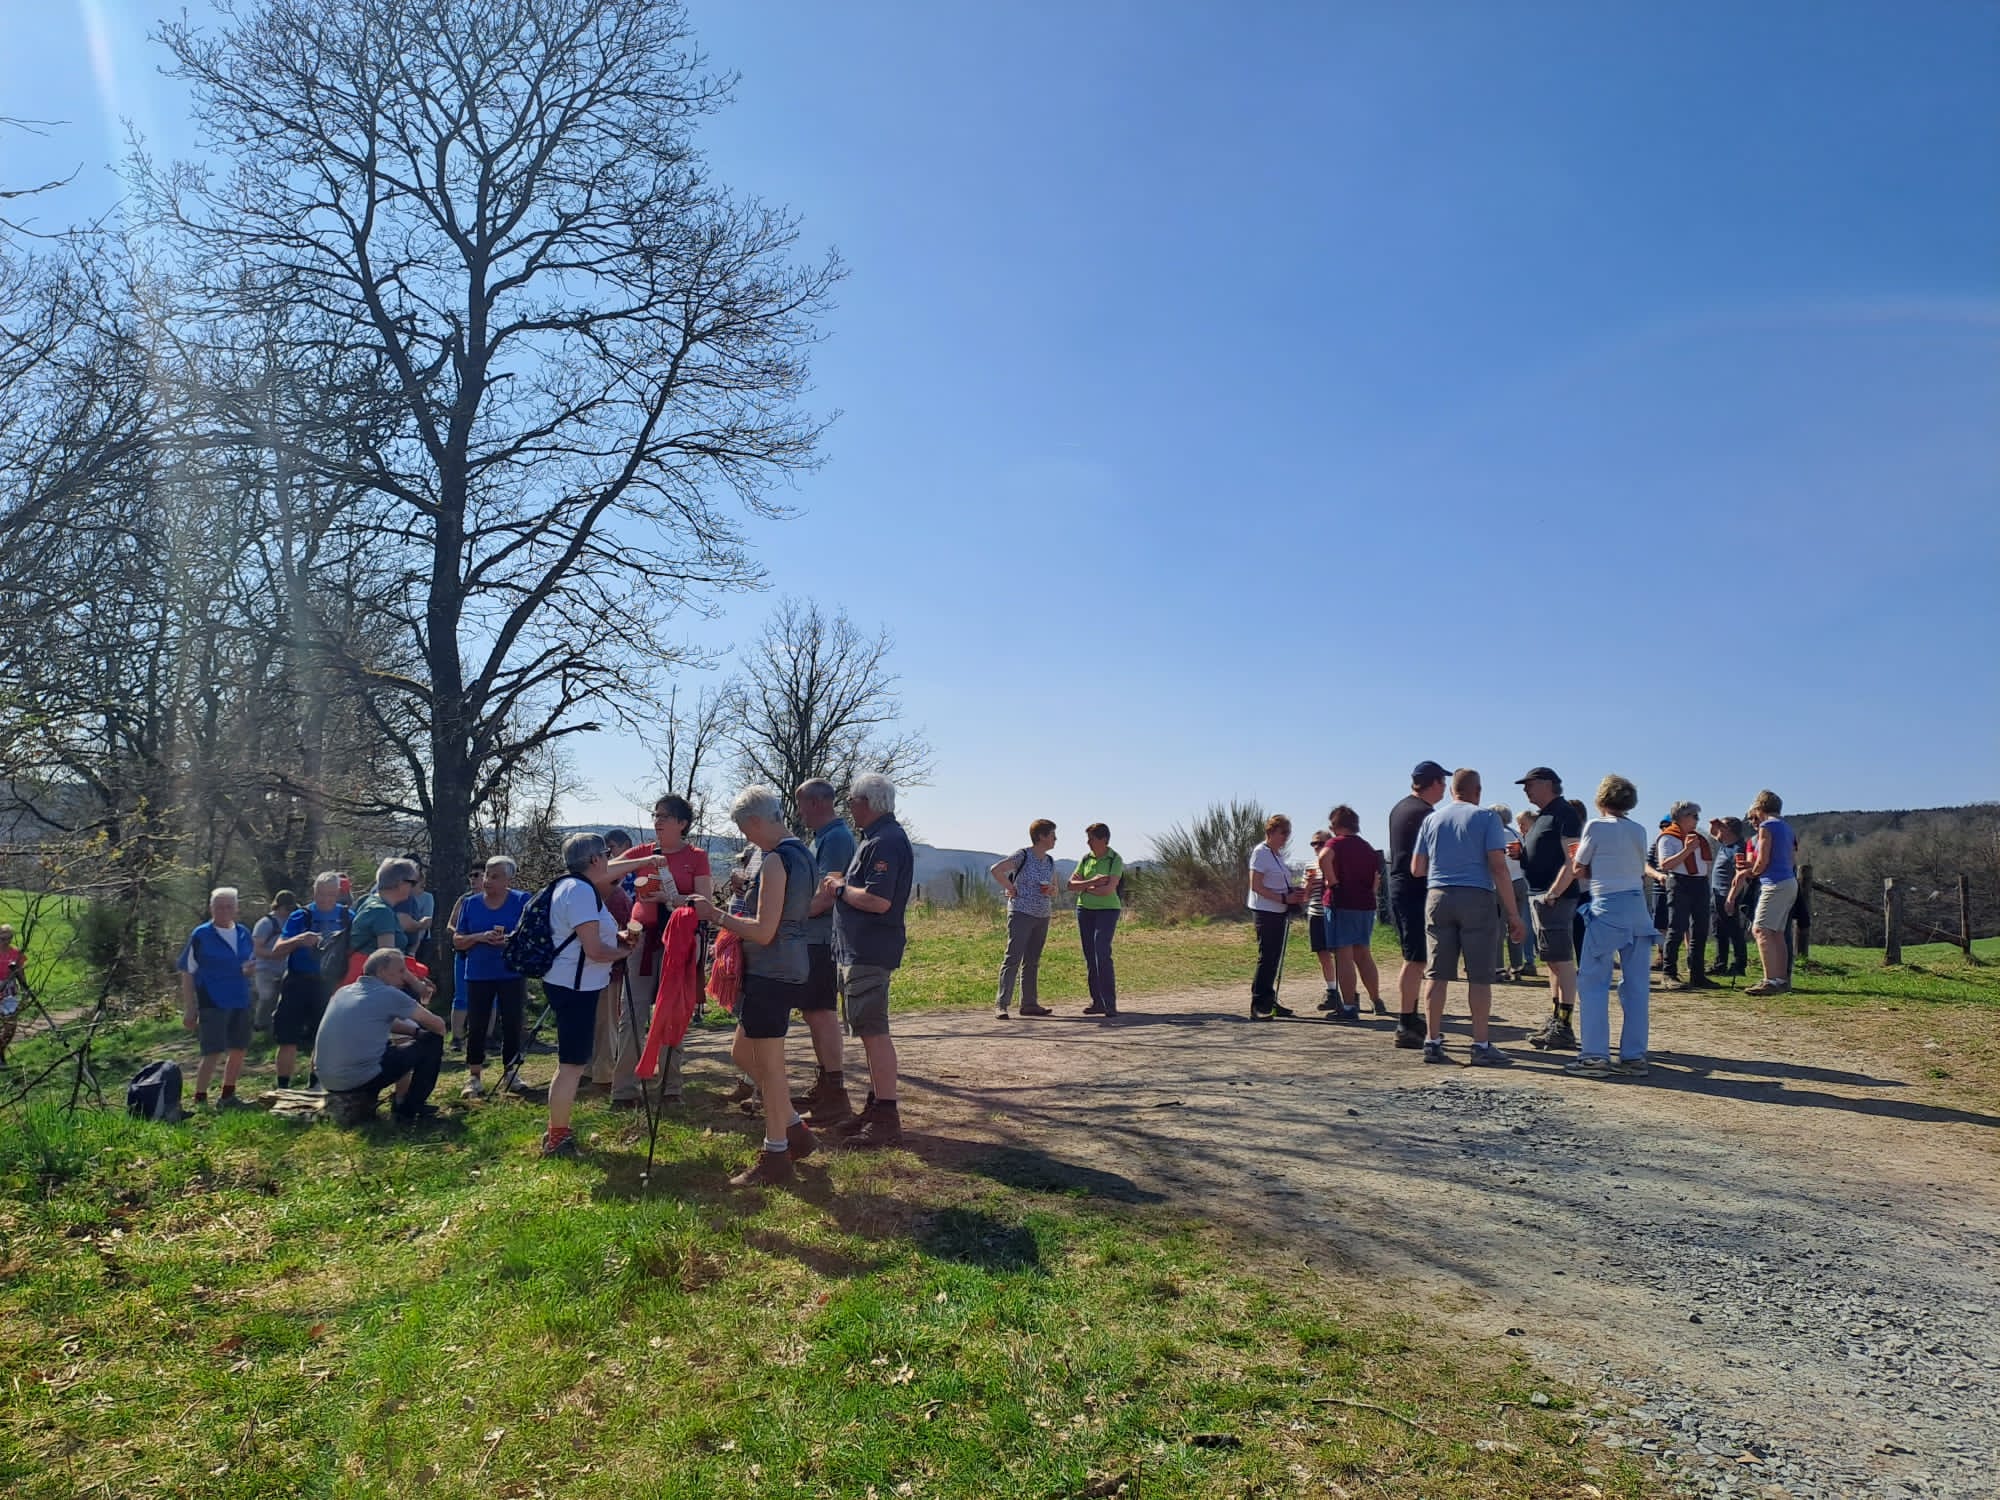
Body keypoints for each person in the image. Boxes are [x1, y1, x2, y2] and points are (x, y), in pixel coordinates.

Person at [691, 786, 820, 1186]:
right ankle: (795, 1129)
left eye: (744, 828)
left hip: (772, 970)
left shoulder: (777, 860)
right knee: (742, 1053)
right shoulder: (802, 853)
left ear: (755, 821)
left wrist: (715, 915)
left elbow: (764, 931)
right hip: (786, 965)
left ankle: (775, 1153)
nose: (745, 836)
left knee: (770, 1067)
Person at [822, 772, 914, 1148]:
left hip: (869, 950)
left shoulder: (886, 841)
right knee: (867, 1030)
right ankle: (876, 1108)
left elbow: (878, 901)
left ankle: (887, 1116)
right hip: (859, 949)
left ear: (867, 803)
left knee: (874, 1033)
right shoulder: (876, 838)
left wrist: (839, 888)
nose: (849, 806)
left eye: (852, 800)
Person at [1545, 775, 1657, 1078]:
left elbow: (1578, 868)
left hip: (1607, 906)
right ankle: (1634, 1056)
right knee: (1636, 986)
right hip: (1637, 908)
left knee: (1593, 982)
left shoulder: (1594, 826)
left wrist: (1555, 891)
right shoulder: (1638, 829)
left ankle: (1594, 1055)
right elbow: (1635, 869)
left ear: (1601, 799)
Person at [1409, 769, 1524, 1066]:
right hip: (1476, 896)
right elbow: (1498, 866)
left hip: (1438, 895)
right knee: (1480, 975)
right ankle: (1480, 1044)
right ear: (1478, 791)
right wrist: (1513, 914)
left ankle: (1432, 1041)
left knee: (1437, 973)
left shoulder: (1432, 819)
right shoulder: (1487, 818)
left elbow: (1417, 868)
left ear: (1452, 791)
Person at [540, 833, 642, 1158]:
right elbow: (595, 950)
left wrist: (618, 938)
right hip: (576, 986)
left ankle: (557, 1132)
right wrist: (622, 953)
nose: (610, 859)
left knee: (571, 1063)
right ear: (595, 859)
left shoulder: (569, 886)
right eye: (606, 854)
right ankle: (557, 1137)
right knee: (571, 1065)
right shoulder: (582, 892)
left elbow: (590, 938)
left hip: (570, 982)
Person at [615, 795, 713, 1108]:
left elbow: (705, 903)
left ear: (682, 823)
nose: (657, 821)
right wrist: (638, 865)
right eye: (655, 815)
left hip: (679, 942)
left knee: (672, 1011)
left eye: (664, 816)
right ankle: (624, 1090)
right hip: (641, 942)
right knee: (632, 1014)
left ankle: (671, 1087)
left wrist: (671, 899)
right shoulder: (643, 852)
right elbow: (606, 872)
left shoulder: (696, 856)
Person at [314, 949, 448, 1123]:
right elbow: (439, 1026)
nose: (405, 977)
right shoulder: (388, 994)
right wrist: (422, 1025)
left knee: (387, 1048)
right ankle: (408, 1110)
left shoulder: (344, 992)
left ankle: (391, 1101)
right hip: (356, 1078)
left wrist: (414, 1032)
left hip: (327, 1078)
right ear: (381, 971)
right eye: (401, 971)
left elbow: (374, 1020)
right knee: (433, 1042)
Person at [793, 777, 857, 1125]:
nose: (799, 812)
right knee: (812, 1011)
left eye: (801, 805)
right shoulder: (821, 837)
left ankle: (836, 1094)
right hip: (811, 937)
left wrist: (790, 918)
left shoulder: (836, 839)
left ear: (816, 803)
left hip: (821, 938)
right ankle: (824, 1084)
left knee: (821, 1012)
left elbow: (826, 894)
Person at [1515, 768, 1584, 1051]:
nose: (1525, 790)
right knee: (1552, 961)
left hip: (1555, 898)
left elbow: (1573, 859)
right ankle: (1556, 1018)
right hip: (1541, 895)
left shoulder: (1564, 814)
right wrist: (1522, 855)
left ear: (1547, 784)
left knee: (1561, 961)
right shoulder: (1544, 815)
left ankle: (1564, 1026)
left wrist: (1554, 892)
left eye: (1529, 785)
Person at [452, 856, 530, 1098]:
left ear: (509, 879)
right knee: (477, 1024)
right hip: (478, 973)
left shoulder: (522, 901)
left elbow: (531, 935)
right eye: (486, 874)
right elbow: (457, 940)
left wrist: (509, 940)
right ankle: (474, 1075)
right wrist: (479, 937)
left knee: (512, 1022)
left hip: (511, 972)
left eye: (495, 876)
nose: (487, 880)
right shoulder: (470, 904)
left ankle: (511, 1072)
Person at [1386, 761, 1449, 1047]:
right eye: (1442, 782)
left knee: (1414, 957)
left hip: (1402, 886)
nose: (1444, 788)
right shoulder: (1424, 813)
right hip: (1414, 889)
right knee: (1416, 959)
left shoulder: (1401, 808)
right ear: (1433, 783)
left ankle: (1410, 1017)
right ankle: (1406, 1021)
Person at [178, 888, 258, 1106]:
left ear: (236, 908)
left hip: (240, 999)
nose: (224, 911)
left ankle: (228, 1095)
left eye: (229, 906)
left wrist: (250, 970)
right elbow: (187, 971)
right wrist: (190, 1007)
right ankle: (200, 1098)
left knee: (239, 1048)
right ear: (211, 908)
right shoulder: (201, 935)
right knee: (212, 1051)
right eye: (219, 907)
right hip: (213, 1000)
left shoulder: (243, 933)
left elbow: (250, 961)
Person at [271, 873, 349, 1088]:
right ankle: (283, 1087)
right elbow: (277, 950)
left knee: (322, 1037)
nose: (325, 899)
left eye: (330, 894)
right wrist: (299, 940)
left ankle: (315, 1085)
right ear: (314, 892)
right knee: (287, 1037)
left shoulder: (347, 916)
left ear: (338, 893)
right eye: (321, 894)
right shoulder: (301, 916)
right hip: (297, 981)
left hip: (328, 983)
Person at [1728, 790, 1798, 997]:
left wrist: (1750, 871)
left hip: (1774, 883)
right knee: (1776, 932)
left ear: (1759, 808)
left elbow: (1763, 859)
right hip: (1788, 881)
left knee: (1760, 929)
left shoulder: (1767, 827)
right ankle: (1781, 979)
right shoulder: (1786, 827)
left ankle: (1770, 980)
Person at [1320, 806, 1383, 1019]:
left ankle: (1348, 1007)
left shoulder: (1335, 843)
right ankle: (1376, 999)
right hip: (1365, 905)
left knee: (1344, 955)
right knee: (1363, 954)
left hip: (1342, 903)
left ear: (1336, 825)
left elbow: (1323, 858)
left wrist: (1332, 882)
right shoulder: (1367, 847)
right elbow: (1376, 877)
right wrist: (1371, 892)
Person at [992, 820, 1059, 1019]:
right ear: (1041, 836)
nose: (1055, 839)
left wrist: (1051, 890)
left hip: (1042, 915)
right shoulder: (1023, 855)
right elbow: (996, 869)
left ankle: (1029, 1003)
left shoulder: (1050, 861)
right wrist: (1010, 887)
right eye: (1052, 835)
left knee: (1032, 961)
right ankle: (1002, 1004)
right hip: (1021, 912)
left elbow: (1055, 889)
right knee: (1013, 958)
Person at [1247, 814, 1307, 1019]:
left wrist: (1294, 892)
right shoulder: (1260, 853)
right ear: (1271, 832)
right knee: (1267, 957)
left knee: (1274, 957)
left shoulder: (1277, 855)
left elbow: (1278, 882)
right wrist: (1283, 898)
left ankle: (1268, 1000)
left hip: (1279, 911)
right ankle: (1258, 1004)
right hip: (1265, 912)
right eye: (1283, 833)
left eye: (1288, 833)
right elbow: (1256, 886)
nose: (1286, 837)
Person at [1657, 801, 1717, 988]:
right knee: (1677, 927)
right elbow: (1665, 864)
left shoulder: (1698, 838)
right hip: (1680, 882)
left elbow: (1706, 862)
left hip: (1700, 883)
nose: (1697, 820)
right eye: (1694, 816)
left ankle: (1697, 974)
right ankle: (1669, 973)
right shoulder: (1668, 837)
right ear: (1682, 817)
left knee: (1700, 929)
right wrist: (1687, 850)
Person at [1070, 824, 1124, 1017]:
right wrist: (1092, 883)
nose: (1088, 842)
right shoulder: (1086, 859)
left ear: (1104, 840)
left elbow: (1108, 890)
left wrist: (1083, 886)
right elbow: (1071, 885)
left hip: (1107, 910)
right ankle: (1097, 1002)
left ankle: (1110, 1003)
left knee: (1102, 952)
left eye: (1092, 838)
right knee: (1090, 955)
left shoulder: (1115, 859)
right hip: (1084, 910)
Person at [1488, 805, 1535, 982]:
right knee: (1516, 926)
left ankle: (1498, 968)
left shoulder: (1495, 834)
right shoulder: (1516, 834)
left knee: (1497, 928)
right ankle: (1517, 967)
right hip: (1519, 882)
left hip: (1501, 885)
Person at [445, 862, 485, 1050]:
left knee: (491, 998)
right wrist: (462, 935)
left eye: (477, 875)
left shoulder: (497, 899)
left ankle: (487, 1037)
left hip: (488, 952)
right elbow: (450, 925)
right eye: (471, 875)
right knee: (461, 996)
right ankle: (457, 1037)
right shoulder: (464, 899)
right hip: (465, 953)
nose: (473, 879)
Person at [249, 891, 298, 1035]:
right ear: (279, 906)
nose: (289, 912)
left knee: (281, 1001)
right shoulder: (265, 923)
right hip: (264, 968)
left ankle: (274, 1031)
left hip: (285, 968)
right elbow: (257, 949)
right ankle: (259, 1025)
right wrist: (275, 955)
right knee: (267, 996)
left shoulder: (292, 922)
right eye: (287, 908)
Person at [1709, 817, 1750, 977]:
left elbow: (1741, 874)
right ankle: (1720, 964)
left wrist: (1731, 898)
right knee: (1719, 931)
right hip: (1717, 894)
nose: (1718, 829)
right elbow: (1714, 834)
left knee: (1733, 930)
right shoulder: (1726, 844)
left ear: (1729, 830)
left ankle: (1739, 965)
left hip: (1728, 894)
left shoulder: (1738, 849)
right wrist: (1714, 825)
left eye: (1722, 826)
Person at [1303, 831, 1339, 1010]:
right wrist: (1309, 884)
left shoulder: (1337, 863)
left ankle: (1349, 991)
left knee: (1341, 954)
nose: (1317, 847)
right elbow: (1305, 896)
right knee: (1323, 955)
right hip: (1316, 913)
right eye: (1314, 844)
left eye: (1320, 843)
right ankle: (1332, 990)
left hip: (1334, 912)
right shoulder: (1310, 866)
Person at [0, 924, 24, 1065]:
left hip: (9, 992)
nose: (6, 941)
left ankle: (1, 1050)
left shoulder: (15, 953)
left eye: (9, 938)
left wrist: (25, 988)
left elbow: (20, 972)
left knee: (10, 1027)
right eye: (3, 938)